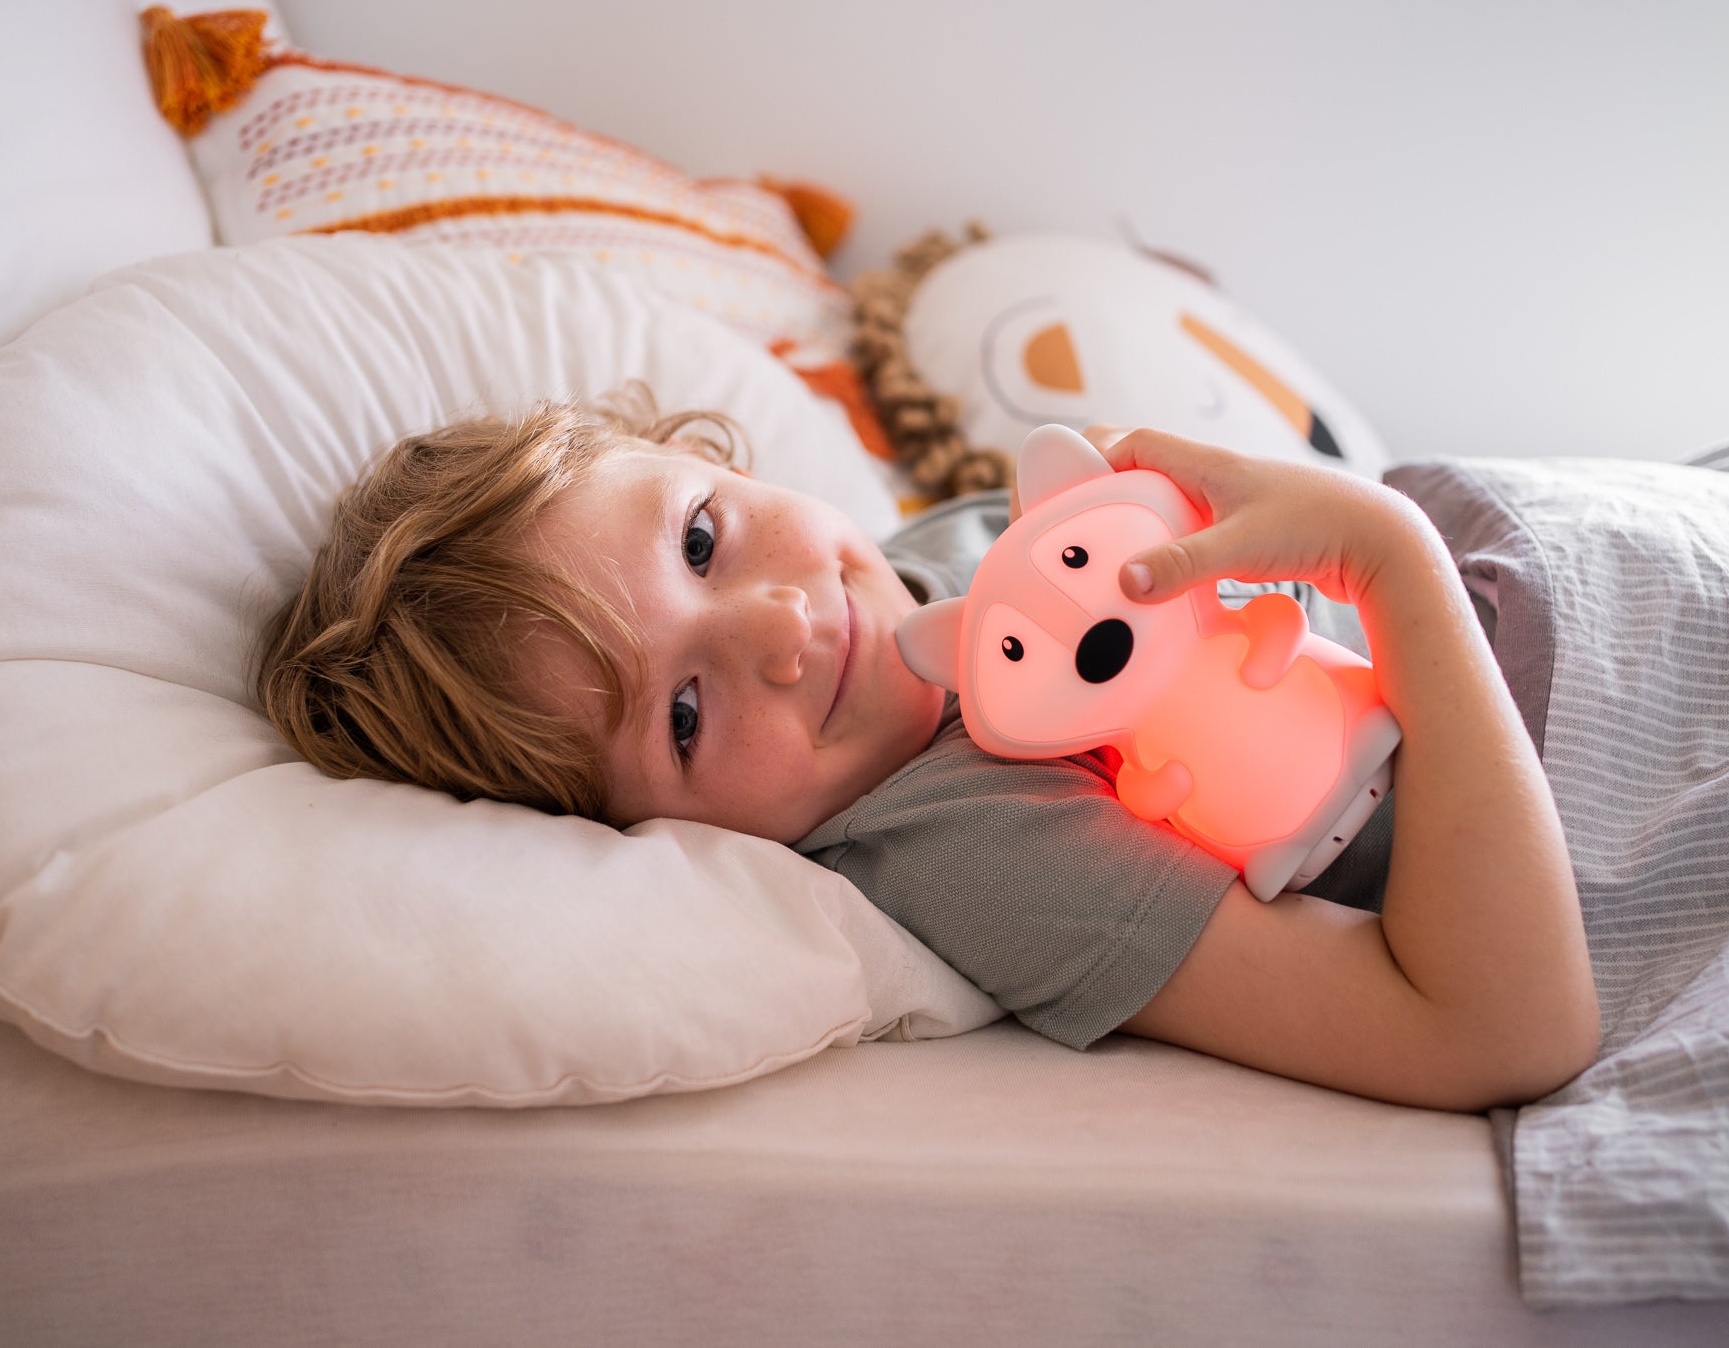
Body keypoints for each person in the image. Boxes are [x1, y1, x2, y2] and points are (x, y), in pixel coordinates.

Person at [260, 387, 1600, 1114]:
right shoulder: (973, 840)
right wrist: (1386, 553)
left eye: (702, 541)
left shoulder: (938, 554)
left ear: (696, 450)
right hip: (1593, 694)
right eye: (682, 713)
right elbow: (1501, 1027)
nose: (784, 625)